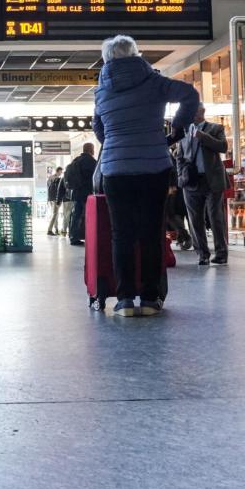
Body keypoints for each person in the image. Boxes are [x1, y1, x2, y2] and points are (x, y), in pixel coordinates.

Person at [93, 35, 198, 317]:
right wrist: (175, 130)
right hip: (154, 166)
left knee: (122, 235)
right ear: (136, 54)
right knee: (152, 232)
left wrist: (116, 142)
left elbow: (99, 129)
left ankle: (125, 300)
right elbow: (190, 95)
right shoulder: (154, 82)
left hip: (116, 170)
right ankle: (151, 298)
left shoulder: (102, 90)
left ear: (107, 59)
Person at [178, 103, 229, 266]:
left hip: (212, 180)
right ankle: (202, 254)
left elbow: (223, 147)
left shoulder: (215, 128)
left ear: (202, 111)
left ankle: (221, 253)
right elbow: (179, 156)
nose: (193, 114)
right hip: (191, 182)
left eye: (195, 111)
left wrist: (202, 136)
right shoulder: (184, 132)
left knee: (215, 217)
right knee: (194, 219)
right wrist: (180, 175)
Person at [64, 143, 97, 246]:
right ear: (91, 149)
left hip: (76, 193)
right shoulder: (91, 161)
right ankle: (90, 236)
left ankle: (73, 237)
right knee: (89, 216)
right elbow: (94, 177)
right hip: (87, 193)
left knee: (76, 215)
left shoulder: (76, 161)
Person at [45, 167, 66, 236]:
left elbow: (48, 188)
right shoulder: (57, 179)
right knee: (54, 214)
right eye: (61, 172)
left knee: (55, 214)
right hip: (55, 199)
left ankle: (56, 230)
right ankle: (49, 230)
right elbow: (58, 190)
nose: (61, 173)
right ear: (58, 171)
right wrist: (58, 199)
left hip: (50, 198)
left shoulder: (50, 178)